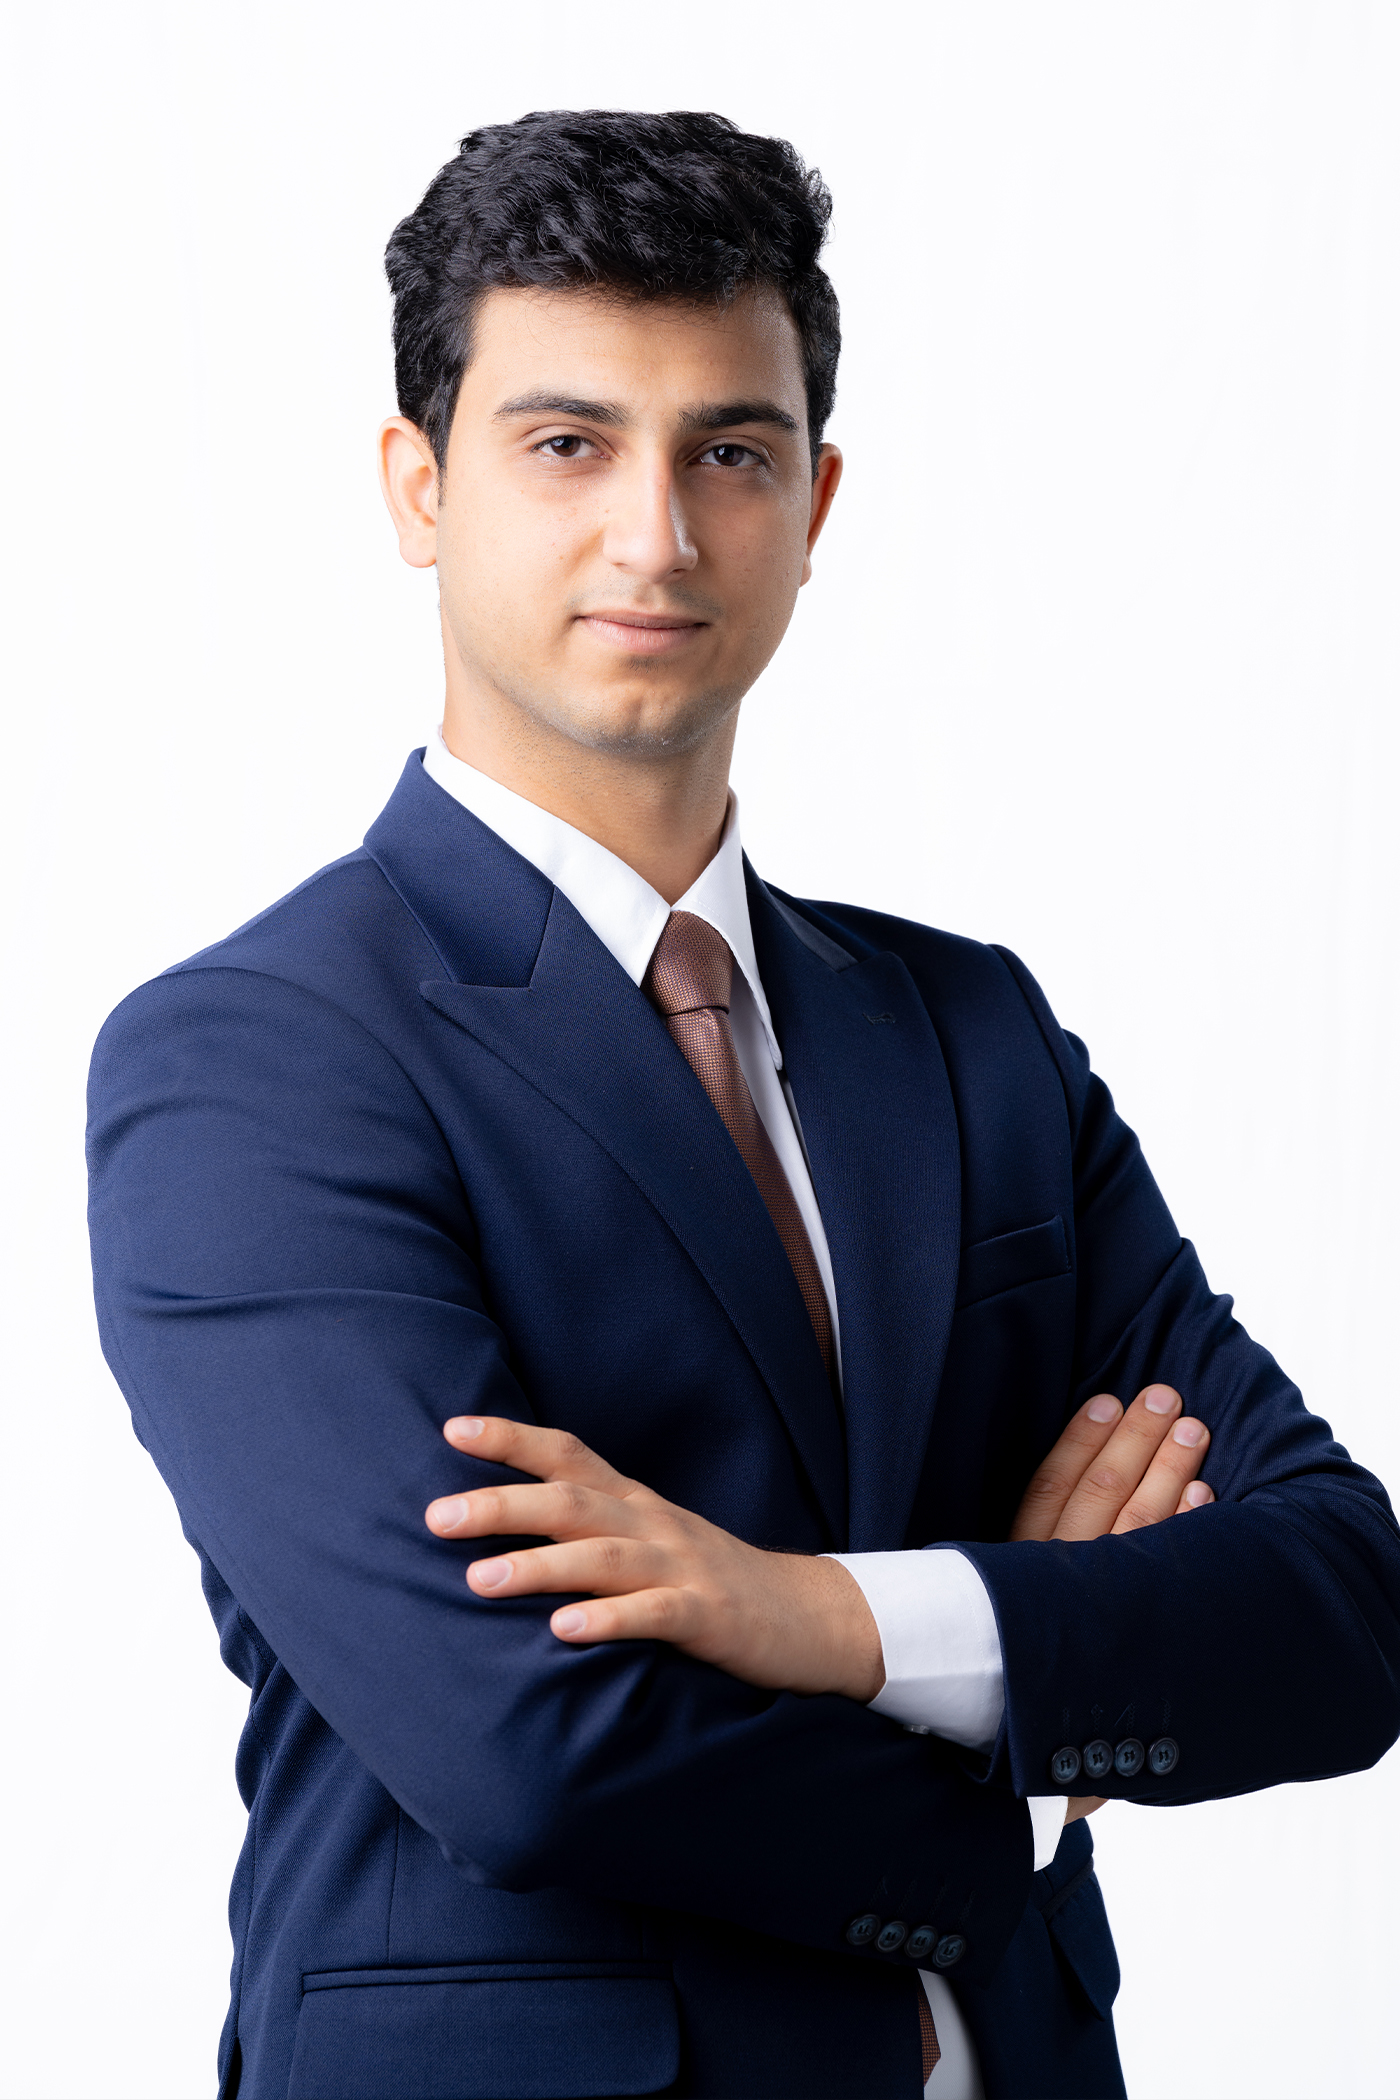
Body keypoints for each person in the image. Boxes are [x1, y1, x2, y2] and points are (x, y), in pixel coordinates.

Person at [86, 110, 1400, 2100]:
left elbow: (1338, 1609)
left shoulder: (968, 1032)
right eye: (566, 445)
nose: (657, 535)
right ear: (419, 486)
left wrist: (820, 1620)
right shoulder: (257, 1060)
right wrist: (1019, 1737)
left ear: (815, 497)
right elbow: (526, 1748)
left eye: (729, 452)